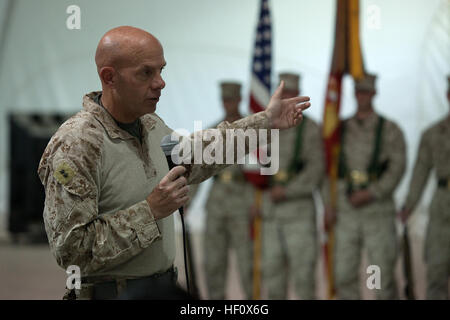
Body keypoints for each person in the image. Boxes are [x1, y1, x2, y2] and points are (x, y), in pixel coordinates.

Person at [37, 26, 311, 300]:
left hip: (158, 291)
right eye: (146, 72)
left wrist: (265, 122)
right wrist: (151, 211)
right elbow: (71, 251)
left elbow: (202, 154)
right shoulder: (77, 145)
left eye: (161, 71)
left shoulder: (150, 125)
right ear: (110, 77)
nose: (160, 82)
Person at [324, 73, 406, 299]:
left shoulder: (390, 129)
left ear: (374, 93)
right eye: (359, 91)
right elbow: (328, 169)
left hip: (376, 213)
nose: (362, 96)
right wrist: (328, 204)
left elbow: (397, 167)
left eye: (366, 92)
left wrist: (372, 193)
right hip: (346, 212)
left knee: (378, 276)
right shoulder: (339, 129)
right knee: (344, 274)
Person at [188, 82, 255, 299]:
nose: (228, 104)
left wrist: (259, 202)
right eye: (225, 100)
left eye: (232, 99)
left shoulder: (253, 130)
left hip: (244, 201)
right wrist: (187, 201)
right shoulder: (213, 132)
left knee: (248, 265)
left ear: (239, 100)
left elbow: (263, 172)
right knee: (214, 263)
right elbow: (199, 170)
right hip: (216, 202)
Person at [261, 73, 324, 299]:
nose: (287, 98)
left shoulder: (310, 128)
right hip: (270, 213)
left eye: (291, 93)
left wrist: (287, 190)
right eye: (283, 93)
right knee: (273, 276)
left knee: (303, 276)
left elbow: (316, 170)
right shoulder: (265, 126)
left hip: (299, 212)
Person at [398, 75, 450, 300]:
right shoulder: (433, 134)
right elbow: (420, 172)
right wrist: (408, 206)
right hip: (443, 209)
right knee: (437, 273)